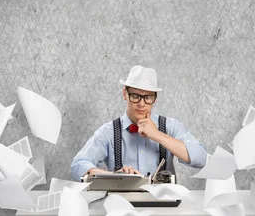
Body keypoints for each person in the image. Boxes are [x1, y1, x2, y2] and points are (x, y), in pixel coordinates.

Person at [70, 65, 207, 181]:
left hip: (164, 208)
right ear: (125, 94)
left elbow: (202, 158)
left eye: (148, 97)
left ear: (155, 99)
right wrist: (114, 176)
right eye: (135, 96)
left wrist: (157, 135)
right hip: (121, 206)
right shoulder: (109, 132)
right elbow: (78, 164)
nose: (141, 104)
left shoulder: (170, 127)